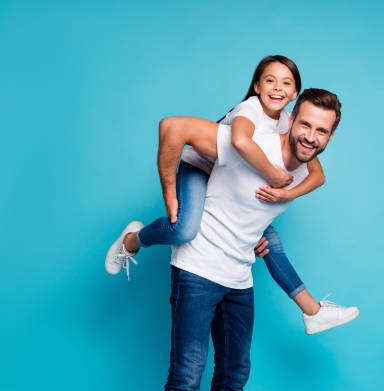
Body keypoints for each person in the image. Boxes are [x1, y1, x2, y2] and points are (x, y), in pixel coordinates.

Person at [105, 56, 358, 333]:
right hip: (200, 168)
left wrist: (288, 194)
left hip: (233, 185)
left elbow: (318, 175)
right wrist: (273, 176)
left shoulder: (292, 123)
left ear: (294, 94)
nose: (277, 88)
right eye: (270, 80)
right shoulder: (249, 111)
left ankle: (313, 311)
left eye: (286, 83)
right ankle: (133, 240)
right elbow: (239, 142)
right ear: (257, 86)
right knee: (184, 228)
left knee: (270, 245)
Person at [156, 89, 355, 391]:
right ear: (289, 121)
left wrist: (275, 210)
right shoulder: (247, 145)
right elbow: (173, 128)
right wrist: (170, 194)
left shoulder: (307, 169)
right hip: (198, 269)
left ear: (330, 137)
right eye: (305, 125)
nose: (311, 137)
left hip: (239, 279)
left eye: (322, 131)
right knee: (186, 377)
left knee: (234, 376)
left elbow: (317, 176)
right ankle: (134, 240)